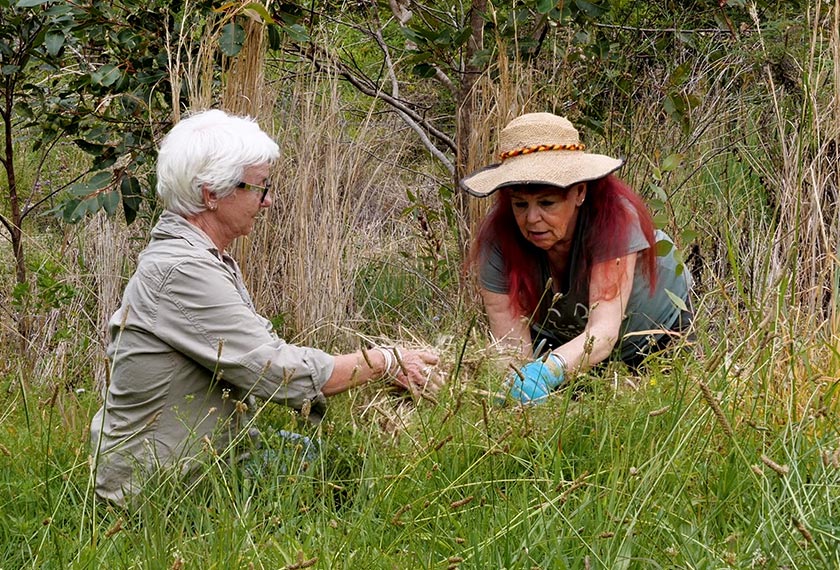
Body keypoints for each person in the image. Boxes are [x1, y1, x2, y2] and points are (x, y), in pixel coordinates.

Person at [90, 109, 442, 505]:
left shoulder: (202, 258)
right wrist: (385, 361)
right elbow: (278, 371)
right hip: (159, 487)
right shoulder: (182, 271)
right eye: (259, 187)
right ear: (212, 194)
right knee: (347, 478)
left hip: (202, 459)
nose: (268, 200)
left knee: (340, 461)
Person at [462, 112, 693, 404]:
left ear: (580, 193)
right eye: (520, 204)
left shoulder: (614, 219)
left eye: (546, 203)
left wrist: (545, 373)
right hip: (567, 342)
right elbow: (510, 349)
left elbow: (603, 332)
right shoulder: (498, 240)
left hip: (654, 336)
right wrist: (516, 387)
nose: (532, 219)